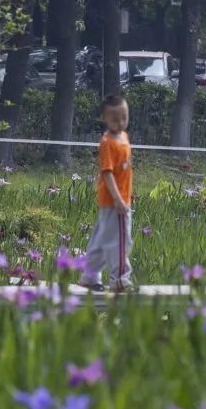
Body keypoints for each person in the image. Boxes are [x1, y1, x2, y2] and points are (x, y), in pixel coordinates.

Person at [80, 93, 133, 291]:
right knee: (120, 241)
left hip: (118, 198)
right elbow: (107, 173)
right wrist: (119, 199)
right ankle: (119, 279)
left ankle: (89, 276)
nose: (120, 122)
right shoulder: (108, 143)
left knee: (102, 240)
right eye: (114, 118)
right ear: (104, 118)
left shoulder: (123, 137)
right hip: (114, 201)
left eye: (124, 117)